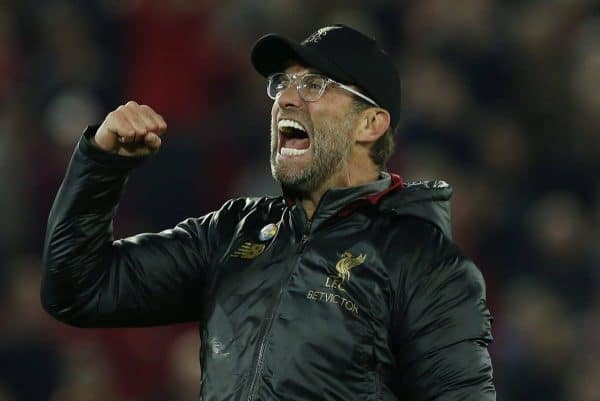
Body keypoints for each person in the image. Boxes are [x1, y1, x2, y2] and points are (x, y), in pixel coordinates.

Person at [41, 24, 495, 401]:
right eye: (282, 84)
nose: (287, 99)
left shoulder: (424, 264)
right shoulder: (234, 233)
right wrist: (101, 167)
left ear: (370, 123)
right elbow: (79, 288)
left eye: (314, 85)